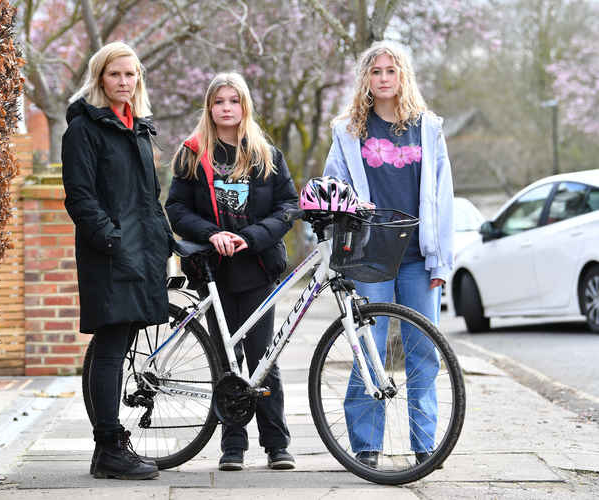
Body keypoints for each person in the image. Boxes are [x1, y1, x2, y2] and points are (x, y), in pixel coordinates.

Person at [323, 40, 454, 468]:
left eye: (391, 71)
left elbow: (444, 195)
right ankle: (366, 444)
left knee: (423, 350)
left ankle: (423, 443)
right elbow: (333, 188)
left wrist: (441, 261)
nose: (383, 79)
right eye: (375, 72)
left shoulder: (428, 128)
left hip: (418, 255)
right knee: (369, 348)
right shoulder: (348, 131)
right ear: (366, 78)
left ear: (403, 77)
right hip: (370, 257)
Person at [165, 72, 299, 472]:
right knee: (226, 359)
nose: (227, 108)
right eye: (219, 101)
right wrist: (213, 234)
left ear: (245, 106)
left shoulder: (266, 155)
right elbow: (177, 209)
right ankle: (233, 446)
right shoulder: (191, 154)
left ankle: (276, 444)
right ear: (209, 107)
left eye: (234, 101)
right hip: (213, 271)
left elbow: (287, 207)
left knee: (262, 358)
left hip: (257, 269)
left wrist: (252, 237)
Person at [61, 41, 174, 480]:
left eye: (130, 75)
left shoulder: (139, 129)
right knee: (110, 348)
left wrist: (166, 241)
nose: (124, 82)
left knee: (118, 345)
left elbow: (149, 198)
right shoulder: (84, 129)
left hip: (141, 253)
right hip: (109, 255)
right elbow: (80, 198)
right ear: (99, 78)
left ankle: (107, 448)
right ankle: (109, 448)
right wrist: (111, 241)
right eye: (115, 75)